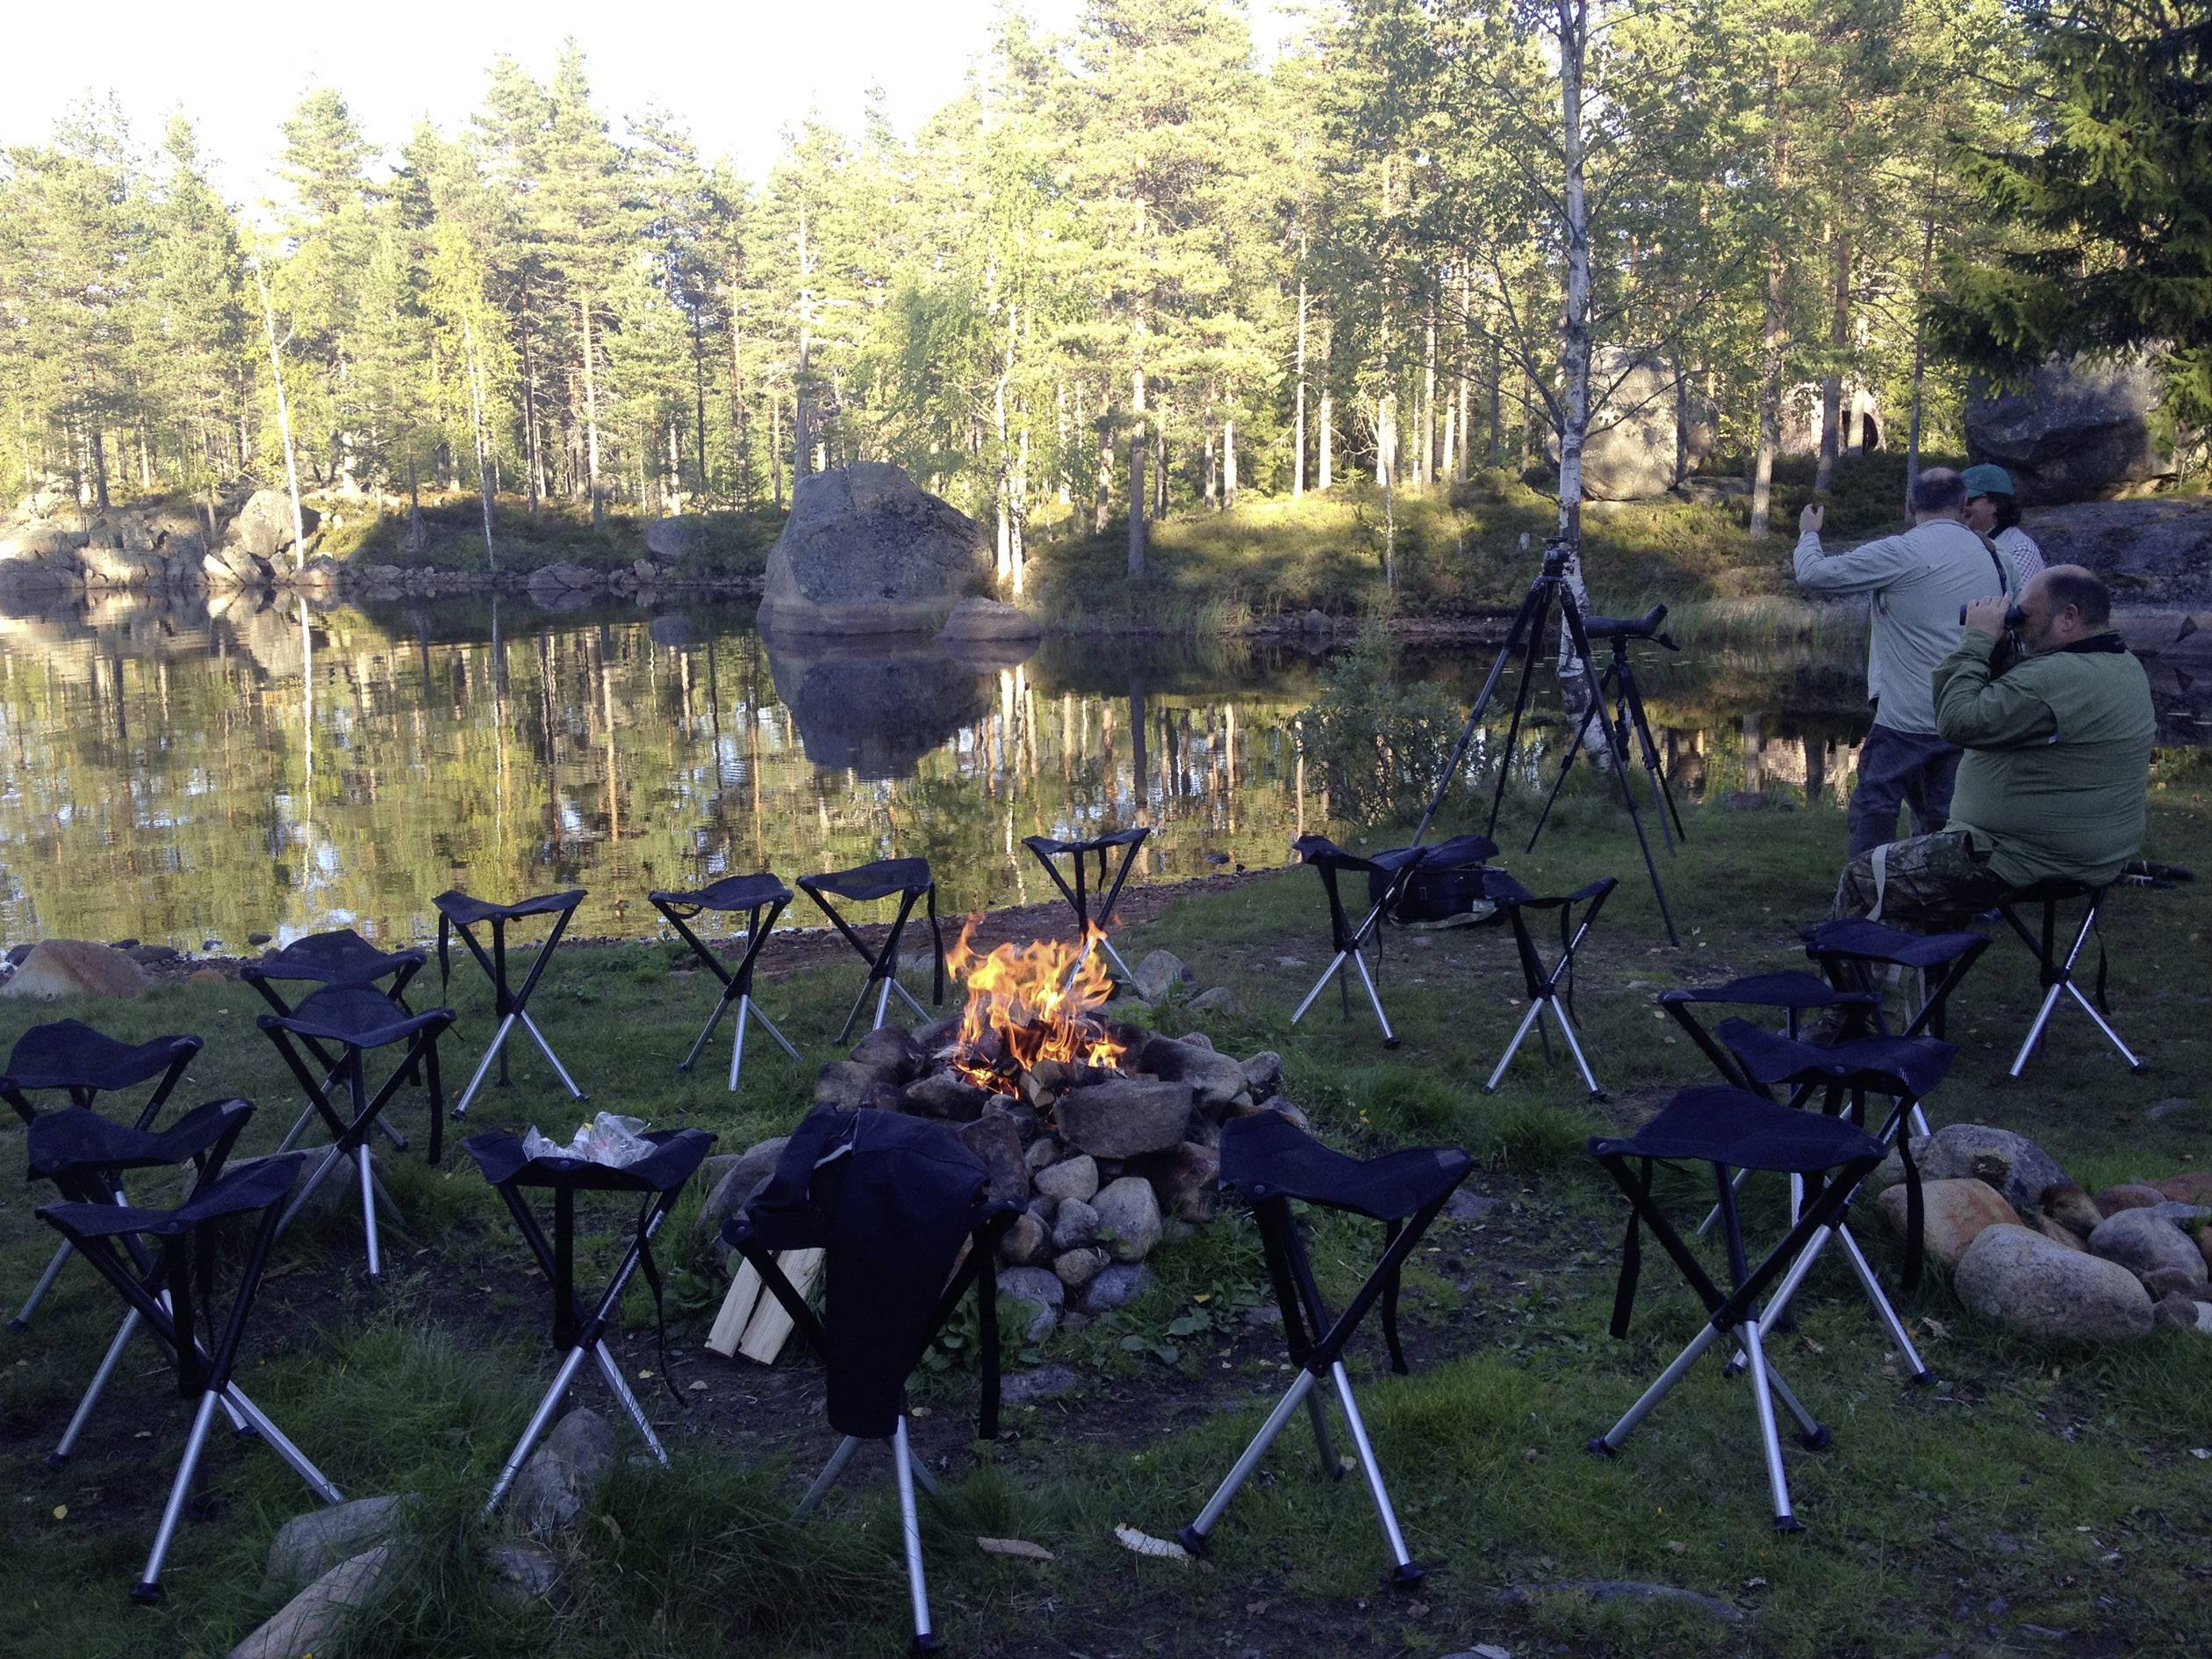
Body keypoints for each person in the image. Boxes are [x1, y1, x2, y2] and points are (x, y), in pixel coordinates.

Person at [1829, 564, 2155, 928]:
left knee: (1862, 879)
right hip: (2094, 854)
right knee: (1924, 889)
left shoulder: (2055, 679)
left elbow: (1955, 722)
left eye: (2026, 615)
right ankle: (1928, 966)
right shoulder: (2120, 665)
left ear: (2067, 618)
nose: (2019, 624)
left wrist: (1977, 641)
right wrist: (2004, 647)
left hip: (2017, 860)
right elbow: (2014, 695)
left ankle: (1854, 982)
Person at [1795, 467, 2010, 858]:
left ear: (1910, 506)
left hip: (1904, 719)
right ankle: (1946, 898)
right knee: (1947, 819)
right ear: (1963, 506)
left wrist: (1810, 532)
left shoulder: (1901, 551)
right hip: (1966, 714)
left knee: (1876, 807)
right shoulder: (1997, 558)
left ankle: (1866, 895)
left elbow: (1812, 574)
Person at [1961, 462, 2045, 592]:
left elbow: (2016, 605)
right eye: (1958, 501)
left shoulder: (2021, 549)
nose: (1962, 507)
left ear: (1997, 503)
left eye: (1969, 500)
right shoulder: (1957, 542)